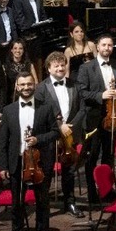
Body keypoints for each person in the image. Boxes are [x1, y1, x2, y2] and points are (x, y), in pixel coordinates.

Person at [0, 72, 58, 231]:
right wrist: (3, 166)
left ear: (35, 85)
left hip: (39, 163)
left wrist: (38, 139)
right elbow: (3, 142)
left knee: (42, 202)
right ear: (16, 86)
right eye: (22, 85)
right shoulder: (8, 110)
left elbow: (55, 132)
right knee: (17, 204)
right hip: (17, 163)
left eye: (29, 84)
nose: (25, 88)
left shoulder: (46, 108)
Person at [34, 52, 86, 218]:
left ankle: (69, 202)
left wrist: (71, 126)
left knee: (69, 171)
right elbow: (39, 114)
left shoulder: (75, 85)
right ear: (49, 68)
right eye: (56, 65)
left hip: (70, 134)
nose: (60, 68)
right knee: (47, 171)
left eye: (62, 65)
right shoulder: (41, 88)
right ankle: (43, 206)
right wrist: (59, 126)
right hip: (51, 135)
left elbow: (82, 109)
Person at [78, 34, 116, 206]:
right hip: (93, 118)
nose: (107, 48)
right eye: (104, 45)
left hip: (112, 117)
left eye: (110, 45)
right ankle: (92, 194)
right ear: (97, 47)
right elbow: (82, 93)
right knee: (92, 158)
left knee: (109, 155)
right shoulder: (86, 68)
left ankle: (107, 190)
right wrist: (101, 95)